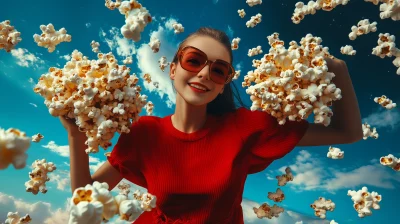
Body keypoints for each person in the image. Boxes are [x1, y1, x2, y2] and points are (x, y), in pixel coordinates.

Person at [60, 27, 363, 224]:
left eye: (218, 70)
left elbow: (347, 133)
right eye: (194, 61)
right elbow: (86, 195)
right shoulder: (144, 133)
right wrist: (76, 135)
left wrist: (337, 67)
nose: (205, 74)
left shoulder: (246, 127)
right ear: (173, 67)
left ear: (224, 84)